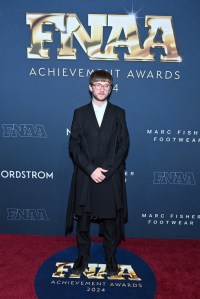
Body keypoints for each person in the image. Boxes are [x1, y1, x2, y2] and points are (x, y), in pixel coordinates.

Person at [66, 70, 129, 276]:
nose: (102, 89)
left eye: (106, 85)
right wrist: (91, 169)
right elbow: (74, 145)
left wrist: (108, 172)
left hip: (111, 177)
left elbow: (123, 145)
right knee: (83, 221)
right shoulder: (79, 113)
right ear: (90, 87)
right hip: (86, 175)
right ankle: (83, 256)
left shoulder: (119, 113)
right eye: (98, 84)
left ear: (111, 89)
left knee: (110, 222)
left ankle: (110, 257)